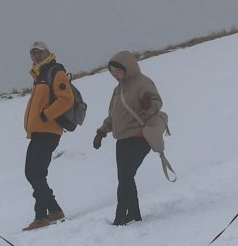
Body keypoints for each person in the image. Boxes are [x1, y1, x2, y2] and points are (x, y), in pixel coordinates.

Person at [92, 50, 166, 225]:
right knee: (125, 178)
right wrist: (102, 131)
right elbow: (113, 115)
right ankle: (134, 214)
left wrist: (148, 105)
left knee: (125, 177)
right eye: (112, 72)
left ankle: (120, 217)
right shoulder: (117, 90)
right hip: (122, 139)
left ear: (128, 67)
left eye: (117, 71)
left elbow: (157, 102)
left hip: (140, 137)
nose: (115, 75)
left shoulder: (142, 82)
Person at [21, 41, 74, 231]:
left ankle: (41, 216)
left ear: (48, 52)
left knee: (34, 172)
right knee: (34, 172)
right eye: (32, 53)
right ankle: (54, 210)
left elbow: (66, 99)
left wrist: (45, 115)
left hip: (48, 130)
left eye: (39, 52)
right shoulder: (40, 75)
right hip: (40, 131)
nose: (35, 55)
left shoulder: (54, 71)